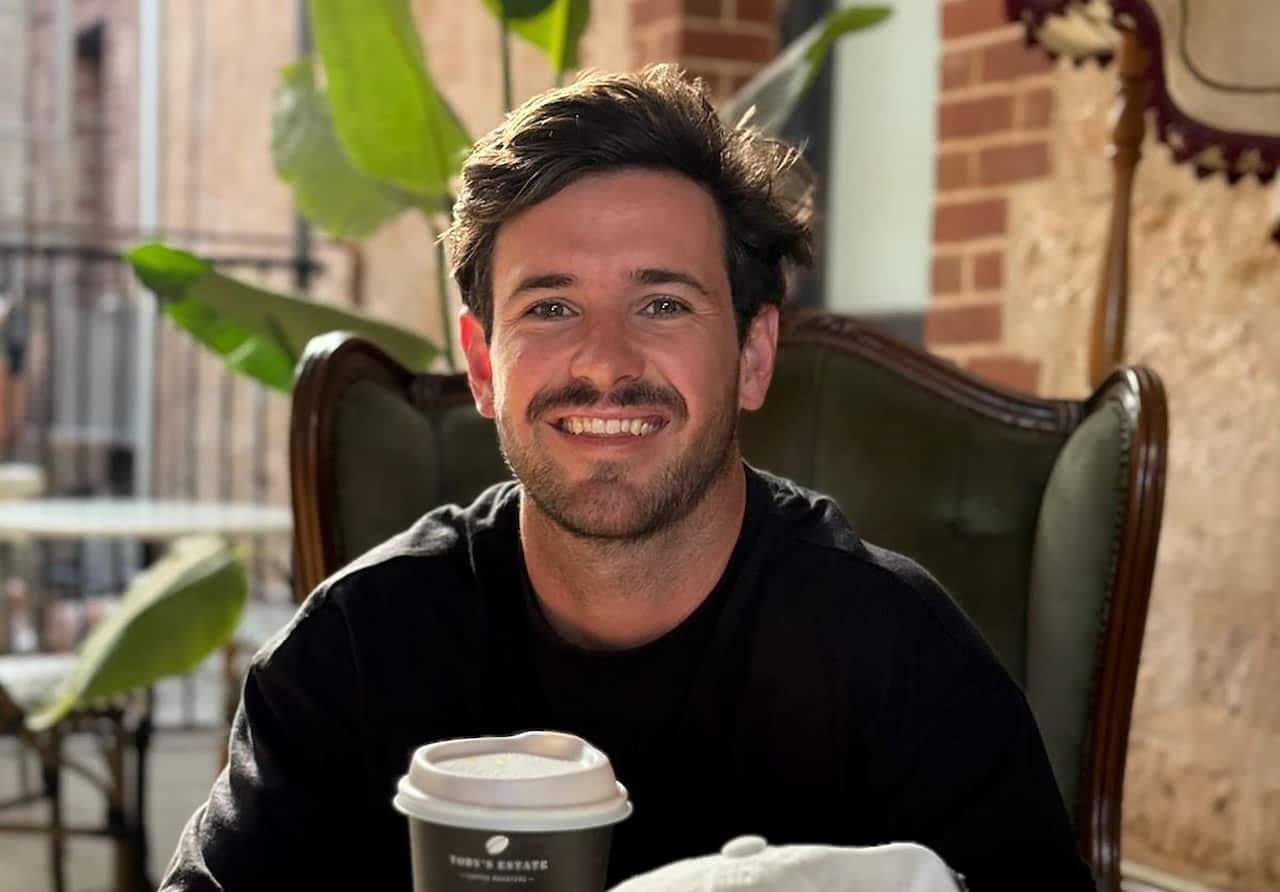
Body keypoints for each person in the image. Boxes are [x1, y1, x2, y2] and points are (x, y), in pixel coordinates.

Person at [161, 65, 1093, 891]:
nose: (605, 362)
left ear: (754, 354)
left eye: (662, 302)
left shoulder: (896, 657)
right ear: (484, 366)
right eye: (552, 305)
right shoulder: (356, 650)